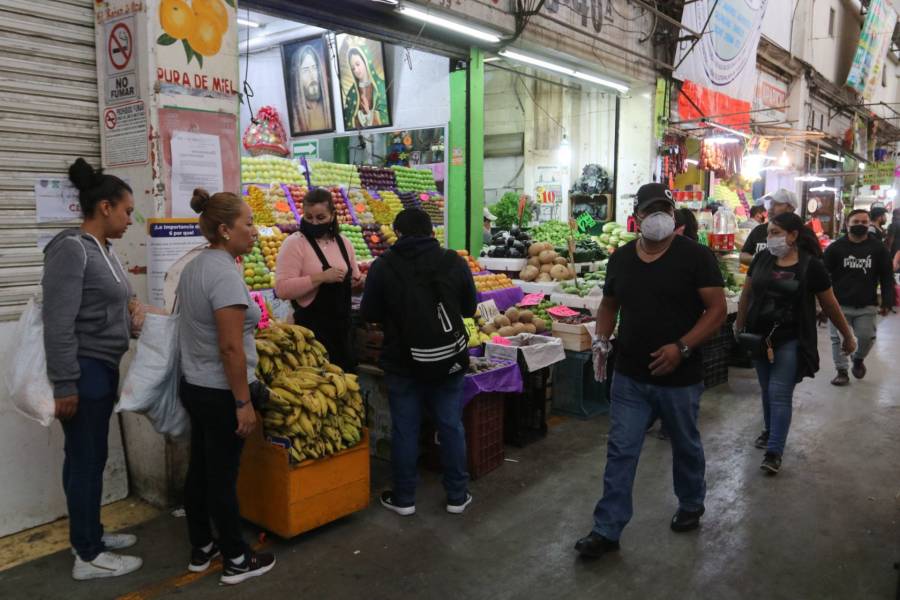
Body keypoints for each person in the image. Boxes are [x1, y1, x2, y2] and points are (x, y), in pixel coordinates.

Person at [574, 183, 727, 559]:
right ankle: (607, 529)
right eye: (650, 210)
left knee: (686, 444)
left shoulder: (696, 257)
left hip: (680, 378)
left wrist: (683, 347)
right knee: (621, 450)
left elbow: (717, 311)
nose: (658, 216)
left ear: (673, 215)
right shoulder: (621, 258)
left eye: (664, 209)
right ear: (637, 217)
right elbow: (609, 304)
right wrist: (601, 340)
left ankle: (691, 502)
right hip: (629, 374)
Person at [42, 158, 142, 580]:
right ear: (104, 207)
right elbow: (59, 321)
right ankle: (88, 555)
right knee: (85, 459)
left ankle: (91, 533)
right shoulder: (71, 249)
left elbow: (109, 302)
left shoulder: (104, 250)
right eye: (127, 211)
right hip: (84, 371)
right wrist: (65, 383)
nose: (129, 220)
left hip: (102, 366)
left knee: (89, 457)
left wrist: (132, 315)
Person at [177, 188, 276, 585]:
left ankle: (202, 547)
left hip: (196, 386)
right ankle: (236, 558)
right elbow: (231, 347)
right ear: (224, 228)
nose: (254, 230)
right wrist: (242, 402)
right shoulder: (223, 274)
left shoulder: (195, 267)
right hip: (221, 392)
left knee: (200, 470)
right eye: (248, 223)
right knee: (221, 476)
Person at [361, 209, 477, 517]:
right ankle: (456, 495)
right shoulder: (453, 261)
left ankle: (404, 499)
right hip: (449, 361)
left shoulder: (383, 266)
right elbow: (469, 308)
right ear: (431, 232)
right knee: (450, 426)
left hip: (402, 362)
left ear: (397, 233)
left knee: (405, 430)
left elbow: (369, 313)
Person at [735, 213, 856, 475]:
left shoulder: (811, 266)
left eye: (776, 232)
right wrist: (739, 324)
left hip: (790, 338)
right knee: (767, 390)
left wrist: (848, 335)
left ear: (793, 235)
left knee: (779, 392)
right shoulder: (762, 259)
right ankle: (769, 432)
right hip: (759, 336)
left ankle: (774, 451)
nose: (770, 238)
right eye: (769, 233)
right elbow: (747, 293)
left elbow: (830, 304)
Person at [275, 188, 362, 371]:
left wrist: (358, 282)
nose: (314, 222)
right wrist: (320, 278)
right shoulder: (294, 243)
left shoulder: (344, 242)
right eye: (309, 217)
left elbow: (354, 277)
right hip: (309, 335)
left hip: (342, 332)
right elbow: (282, 289)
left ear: (333, 215)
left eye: (320, 218)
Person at [823, 209, 895, 385]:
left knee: (866, 337)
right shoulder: (835, 248)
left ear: (869, 224)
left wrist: (887, 301)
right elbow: (823, 275)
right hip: (838, 304)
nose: (860, 225)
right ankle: (842, 371)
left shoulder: (878, 249)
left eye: (864, 222)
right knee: (837, 339)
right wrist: (821, 303)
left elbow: (887, 276)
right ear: (847, 224)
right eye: (856, 222)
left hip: (866, 304)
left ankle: (858, 359)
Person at [740, 189, 798, 266]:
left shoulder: (800, 233)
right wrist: (758, 260)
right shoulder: (759, 230)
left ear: (790, 208)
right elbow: (743, 255)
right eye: (771, 204)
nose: (771, 208)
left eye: (777, 204)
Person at [289, 44, 333, 134]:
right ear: (297, 78)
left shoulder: (328, 107)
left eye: (314, 68)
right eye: (305, 70)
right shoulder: (295, 116)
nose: (312, 76)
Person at [343, 46, 389, 129]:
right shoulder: (351, 94)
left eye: (358, 64)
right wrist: (360, 117)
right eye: (353, 68)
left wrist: (369, 113)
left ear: (366, 61)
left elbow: (386, 115)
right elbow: (348, 121)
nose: (356, 70)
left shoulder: (381, 86)